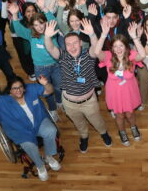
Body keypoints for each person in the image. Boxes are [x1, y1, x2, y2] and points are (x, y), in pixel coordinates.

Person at [42, 20, 113, 153]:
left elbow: (96, 49)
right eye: (68, 44)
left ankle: (103, 133)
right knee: (78, 123)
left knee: (97, 121)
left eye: (75, 43)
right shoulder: (62, 56)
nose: (72, 46)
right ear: (65, 46)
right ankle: (84, 136)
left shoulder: (88, 54)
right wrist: (47, 36)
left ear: (81, 43)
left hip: (89, 101)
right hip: (69, 103)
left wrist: (92, 35)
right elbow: (51, 48)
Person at [0, 77, 61, 181]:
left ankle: (49, 157)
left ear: (24, 88)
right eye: (14, 88)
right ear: (10, 90)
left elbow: (49, 90)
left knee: (51, 130)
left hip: (38, 122)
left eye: (20, 87)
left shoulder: (31, 89)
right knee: (30, 146)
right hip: (19, 130)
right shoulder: (2, 101)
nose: (18, 90)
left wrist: (46, 83)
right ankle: (40, 166)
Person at [92, 20, 147, 146]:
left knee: (130, 114)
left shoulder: (131, 55)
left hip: (129, 90)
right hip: (115, 92)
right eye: (115, 46)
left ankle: (133, 127)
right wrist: (103, 34)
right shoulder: (107, 56)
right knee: (120, 116)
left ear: (126, 47)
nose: (118, 49)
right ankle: (122, 131)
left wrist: (134, 37)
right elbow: (96, 52)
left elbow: (143, 55)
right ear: (111, 48)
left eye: (121, 45)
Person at [8, 0, 62, 120]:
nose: (39, 27)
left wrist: (44, 7)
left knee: (59, 86)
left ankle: (59, 101)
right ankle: (52, 109)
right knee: (46, 89)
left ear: (45, 22)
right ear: (32, 26)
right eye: (35, 25)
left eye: (41, 23)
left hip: (56, 64)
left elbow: (53, 20)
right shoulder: (31, 34)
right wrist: (15, 14)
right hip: (40, 68)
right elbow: (18, 29)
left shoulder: (51, 31)